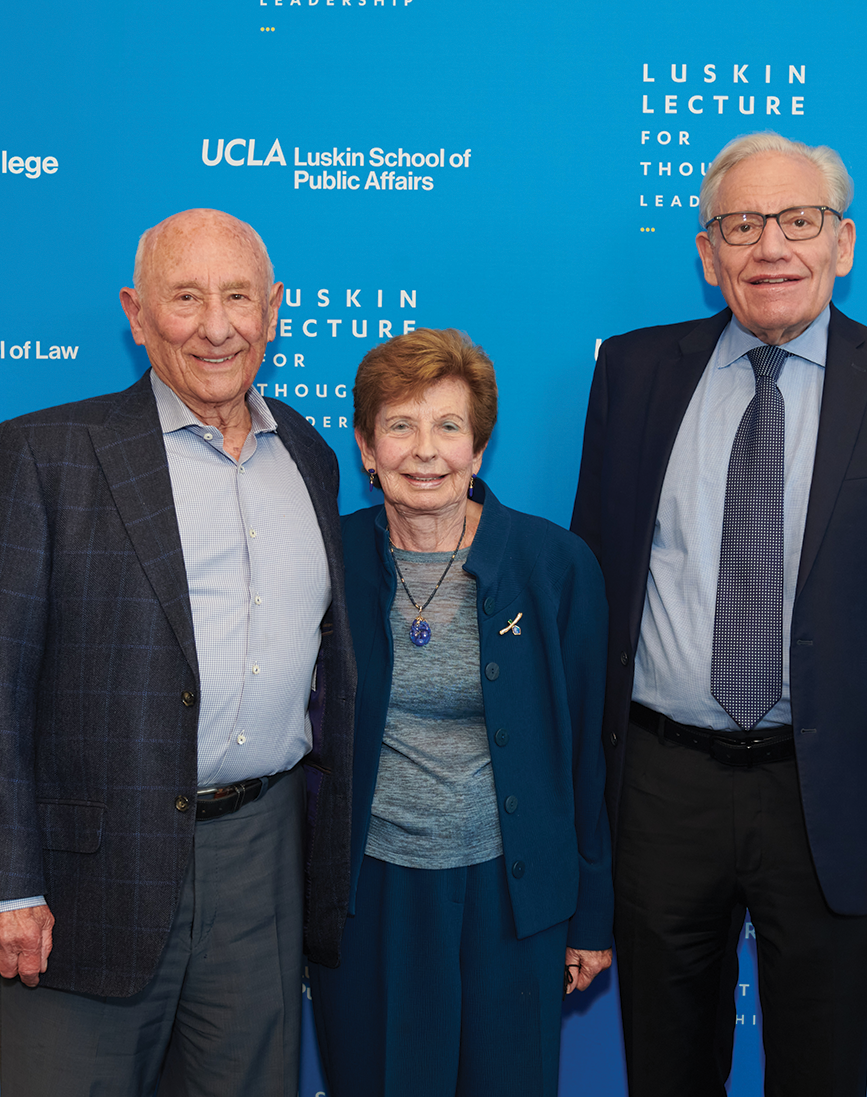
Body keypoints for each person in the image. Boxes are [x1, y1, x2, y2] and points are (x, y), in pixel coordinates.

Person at [570, 131, 867, 1095]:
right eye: (742, 225)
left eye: (800, 221)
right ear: (708, 255)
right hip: (661, 790)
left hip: (830, 796)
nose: (771, 248)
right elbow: (592, 599)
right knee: (664, 1071)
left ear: (843, 242)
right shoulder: (631, 375)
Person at [0, 208, 356, 1097]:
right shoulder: (46, 454)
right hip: (88, 879)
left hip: (261, 864)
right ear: (136, 314)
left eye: (239, 296)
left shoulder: (310, 457)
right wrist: (2, 885)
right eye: (186, 297)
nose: (217, 325)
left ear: (274, 310)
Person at [310, 328, 613, 1097]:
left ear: (479, 446)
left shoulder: (556, 566)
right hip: (369, 897)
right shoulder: (328, 560)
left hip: (512, 898)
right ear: (366, 447)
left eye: (449, 426)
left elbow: (588, 755)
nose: (425, 450)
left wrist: (590, 914)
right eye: (400, 426)